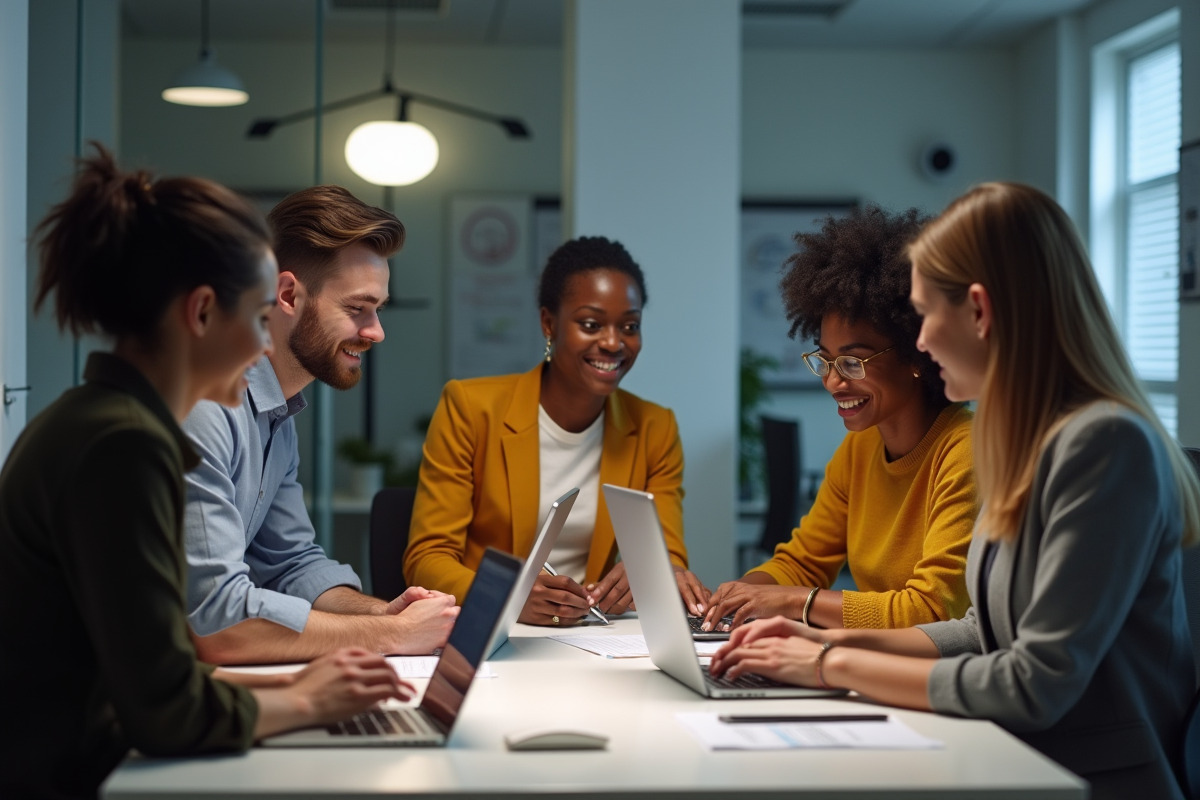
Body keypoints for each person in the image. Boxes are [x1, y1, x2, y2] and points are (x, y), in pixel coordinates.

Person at [710, 182, 1200, 800]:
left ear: (979, 310)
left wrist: (828, 663)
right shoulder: (1025, 437)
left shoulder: (1103, 445)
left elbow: (1036, 680)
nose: (920, 341)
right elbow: (981, 631)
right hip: (1010, 756)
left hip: (1085, 776)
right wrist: (825, 639)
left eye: (926, 315)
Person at [0, 146, 412, 800]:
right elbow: (168, 706)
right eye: (255, 318)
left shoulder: (104, 421)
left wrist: (307, 679)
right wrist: (306, 701)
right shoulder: (126, 444)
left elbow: (161, 670)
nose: (260, 348)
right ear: (199, 314)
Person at [183, 185, 457, 665]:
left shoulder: (277, 412)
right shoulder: (208, 408)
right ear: (288, 294)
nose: (376, 331)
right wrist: (390, 636)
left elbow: (293, 564)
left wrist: (381, 614)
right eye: (357, 309)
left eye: (378, 309)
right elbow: (217, 619)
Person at [404, 235, 708, 624]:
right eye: (591, 324)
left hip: (592, 634)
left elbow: (668, 555)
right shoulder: (470, 408)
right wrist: (507, 597)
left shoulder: (654, 427)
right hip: (491, 631)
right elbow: (427, 558)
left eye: (629, 326)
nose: (614, 342)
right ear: (549, 323)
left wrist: (654, 572)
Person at [703, 205, 977, 631]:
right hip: (878, 668)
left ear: (916, 354)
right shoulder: (861, 447)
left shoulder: (965, 452)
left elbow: (930, 611)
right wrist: (740, 597)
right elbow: (802, 561)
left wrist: (794, 602)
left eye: (853, 362)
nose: (833, 382)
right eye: (826, 361)